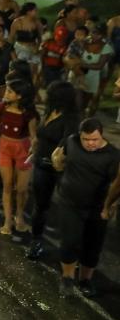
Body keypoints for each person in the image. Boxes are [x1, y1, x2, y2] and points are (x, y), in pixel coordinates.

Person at [52, 118, 120, 298]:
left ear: (102, 135)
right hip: (70, 203)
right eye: (86, 139)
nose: (90, 143)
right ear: (80, 136)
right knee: (69, 241)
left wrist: (109, 207)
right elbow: (60, 158)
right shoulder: (72, 141)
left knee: (92, 246)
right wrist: (57, 164)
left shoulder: (112, 155)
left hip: (96, 208)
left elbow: (116, 184)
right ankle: (67, 278)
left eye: (94, 140)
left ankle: (85, 280)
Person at [27, 81, 81, 261]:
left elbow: (66, 143)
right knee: (40, 206)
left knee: (68, 209)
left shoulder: (71, 119)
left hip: (59, 169)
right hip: (41, 165)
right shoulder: (50, 111)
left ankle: (71, 250)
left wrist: (55, 156)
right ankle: (36, 241)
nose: (46, 97)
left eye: (50, 95)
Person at [0, 79, 38, 235]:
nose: (5, 93)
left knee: (21, 189)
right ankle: (7, 220)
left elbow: (33, 135)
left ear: (19, 96)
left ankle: (19, 216)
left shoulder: (29, 113)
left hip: (23, 149)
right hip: (5, 148)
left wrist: (35, 144)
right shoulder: (2, 108)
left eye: (9, 91)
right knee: (7, 185)